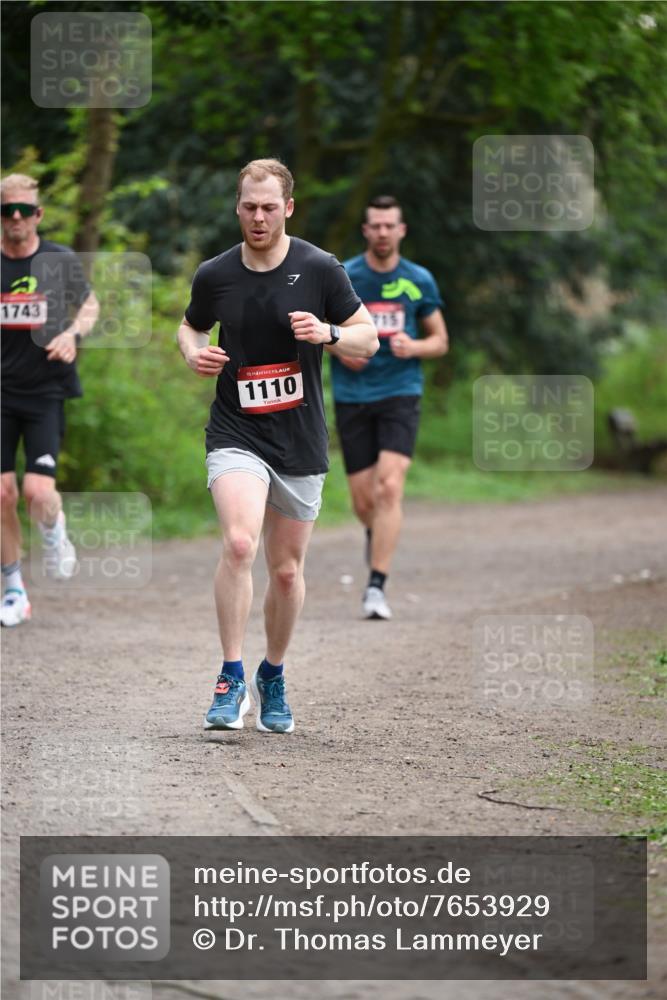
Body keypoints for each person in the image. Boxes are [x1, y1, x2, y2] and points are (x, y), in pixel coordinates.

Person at [178, 159, 378, 734]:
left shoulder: (319, 268)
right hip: (237, 429)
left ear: (288, 207)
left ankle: (273, 673)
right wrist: (193, 353)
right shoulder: (215, 274)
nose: (258, 217)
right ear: (237, 207)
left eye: (269, 207)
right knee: (240, 544)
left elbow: (367, 338)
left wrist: (330, 332)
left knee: (286, 572)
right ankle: (231, 675)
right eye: (248, 207)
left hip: (300, 436)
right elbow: (189, 326)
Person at [331, 195, 448, 621]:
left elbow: (440, 340)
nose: (382, 232)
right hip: (353, 396)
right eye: (375, 225)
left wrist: (412, 345)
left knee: (389, 487)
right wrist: (341, 352)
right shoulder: (344, 275)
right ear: (366, 231)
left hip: (401, 391)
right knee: (364, 501)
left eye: (389, 226)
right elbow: (320, 332)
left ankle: (376, 586)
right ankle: (376, 532)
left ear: (401, 231)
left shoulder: (418, 280)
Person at [1, 173, 99, 627]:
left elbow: (90, 305)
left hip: (45, 391)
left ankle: (54, 530)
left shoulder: (58, 261)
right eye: (7, 210)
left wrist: (72, 333)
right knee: (1, 493)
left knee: (36, 491)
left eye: (24, 210)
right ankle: (14, 589)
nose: (16, 218)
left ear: (38, 215)